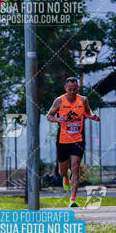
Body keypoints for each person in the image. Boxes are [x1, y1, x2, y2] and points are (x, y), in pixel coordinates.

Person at [46, 77, 100, 207]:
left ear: (78, 88)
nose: (72, 92)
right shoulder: (59, 101)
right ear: (66, 88)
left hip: (78, 140)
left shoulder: (83, 100)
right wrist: (58, 120)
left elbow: (87, 112)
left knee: (75, 168)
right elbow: (49, 116)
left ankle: (73, 199)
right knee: (62, 171)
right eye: (69, 89)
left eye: (74, 89)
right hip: (63, 141)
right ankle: (65, 177)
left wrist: (92, 116)